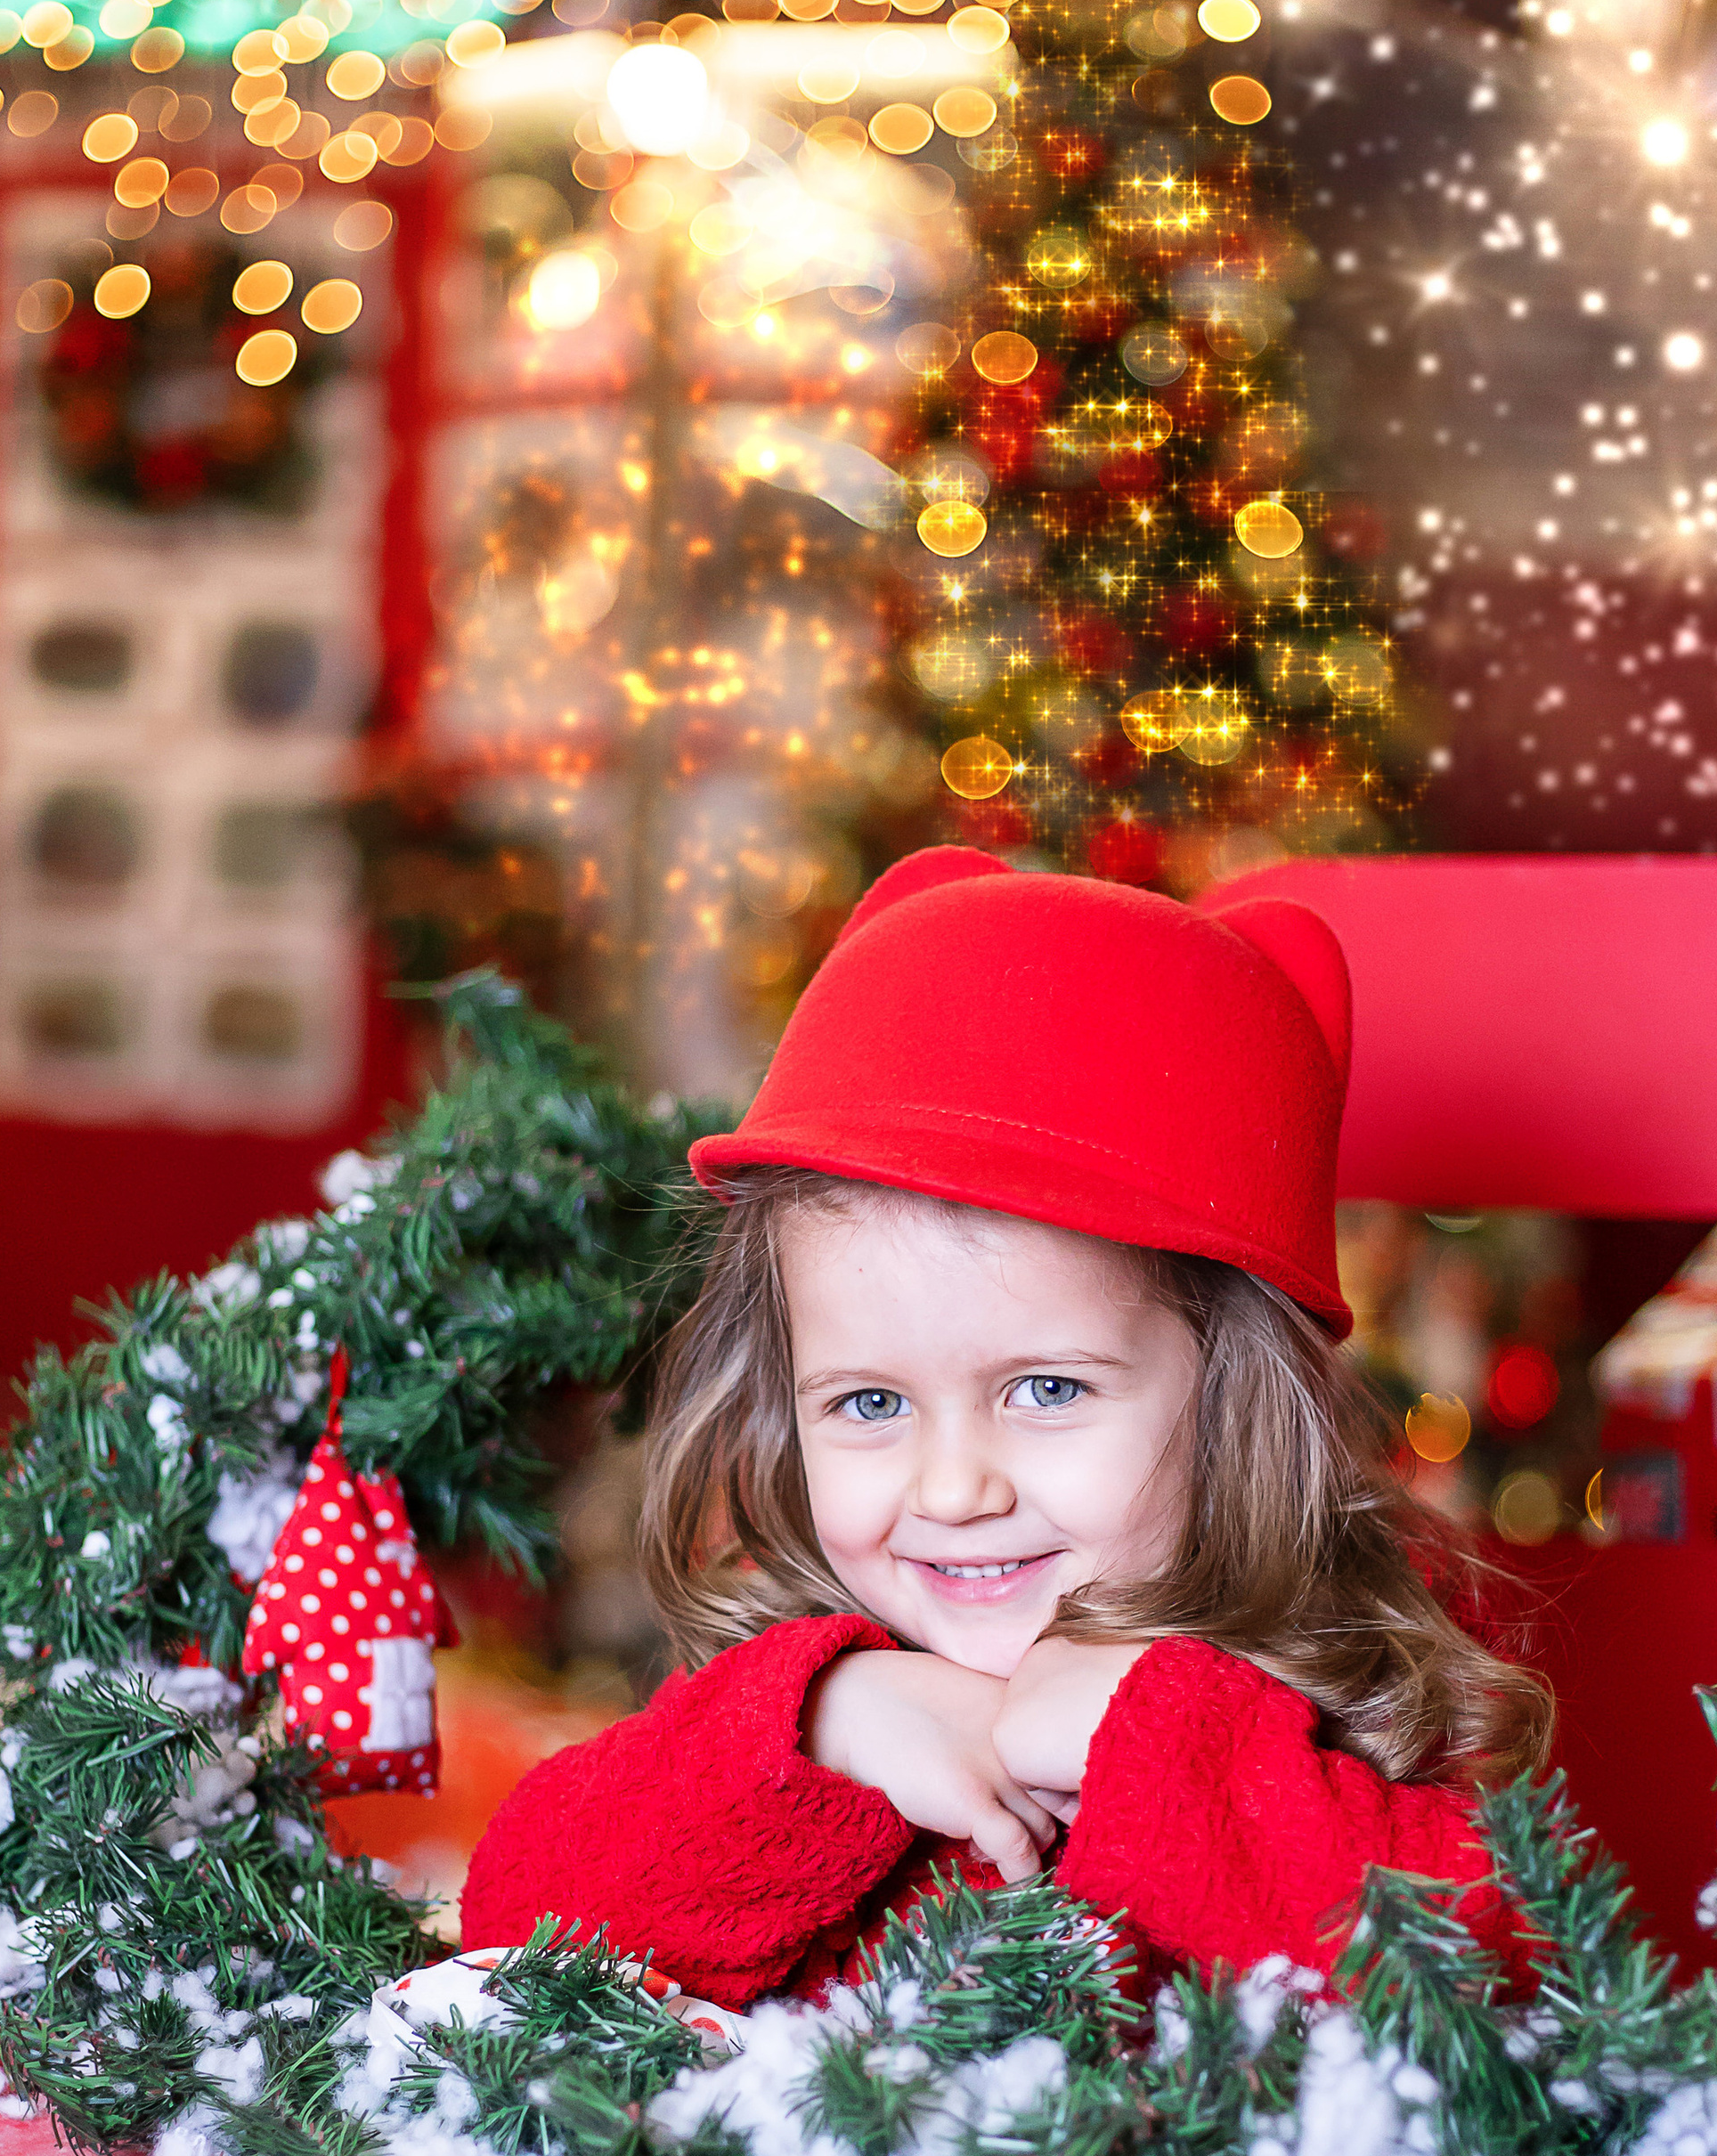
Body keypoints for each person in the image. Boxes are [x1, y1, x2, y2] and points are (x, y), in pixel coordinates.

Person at [461, 847, 1551, 2005]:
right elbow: (515, 1920)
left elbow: (1498, 1982)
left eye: (1046, 1391)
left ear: (1238, 1395)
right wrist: (821, 1730)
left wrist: (1156, 1746)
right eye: (870, 1404)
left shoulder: (1363, 1690)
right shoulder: (803, 1682)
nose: (952, 1490)